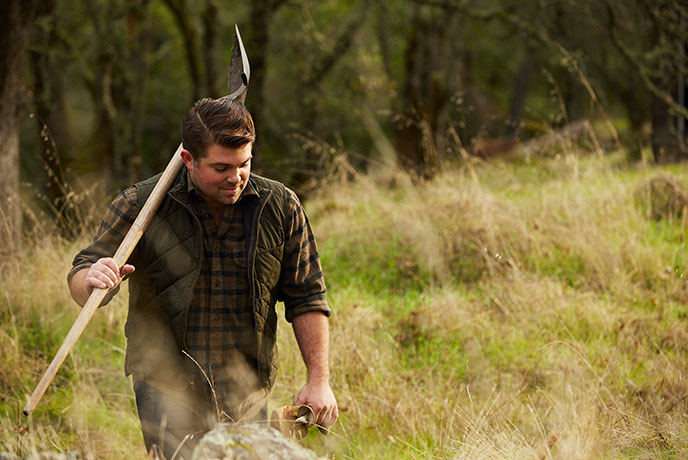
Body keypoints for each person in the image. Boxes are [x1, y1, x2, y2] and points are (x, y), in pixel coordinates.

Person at [67, 97, 338, 459]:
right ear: (188, 159)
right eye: (221, 167)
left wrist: (318, 380)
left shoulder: (281, 207)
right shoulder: (140, 204)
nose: (236, 177)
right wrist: (91, 279)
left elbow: (308, 297)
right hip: (166, 389)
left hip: (246, 390)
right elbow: (82, 275)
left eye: (244, 164)